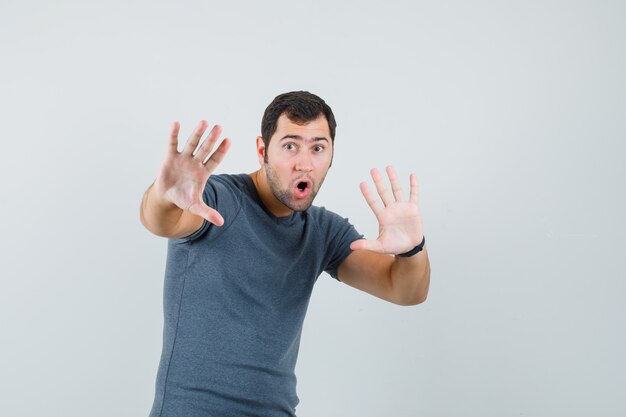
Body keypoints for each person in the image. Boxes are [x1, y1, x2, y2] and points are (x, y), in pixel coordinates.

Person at [140, 91, 430, 417]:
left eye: (317, 148)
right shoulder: (215, 201)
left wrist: (412, 249)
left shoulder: (323, 231)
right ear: (263, 150)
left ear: (331, 156)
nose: (304, 163)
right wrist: (164, 197)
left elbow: (406, 290)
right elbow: (162, 220)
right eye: (290, 146)